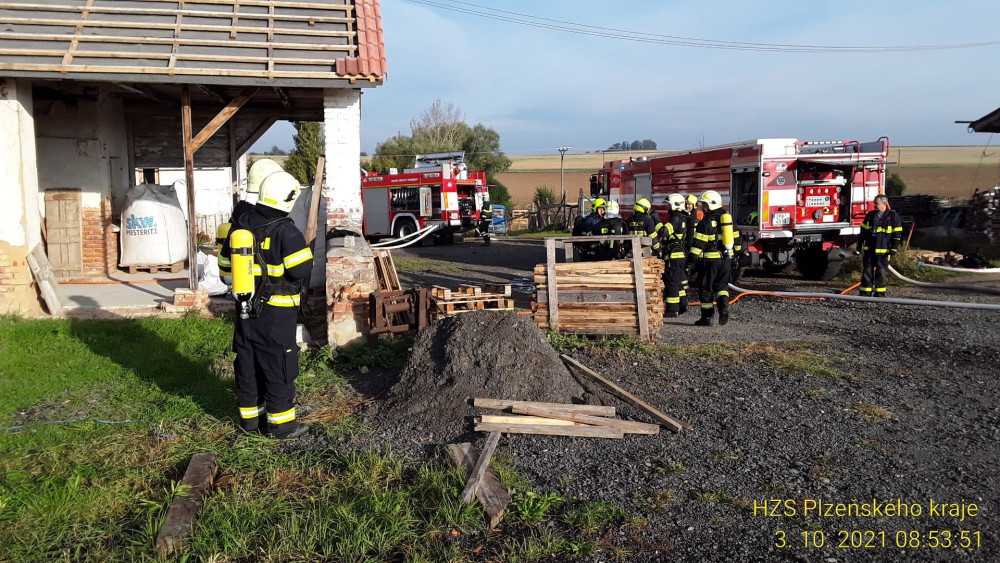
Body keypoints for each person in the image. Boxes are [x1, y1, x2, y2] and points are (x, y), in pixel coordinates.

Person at [219, 171, 314, 439]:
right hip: (276, 314)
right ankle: (281, 426)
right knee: (278, 365)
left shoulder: (240, 227)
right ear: (288, 198)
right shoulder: (286, 230)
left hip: (245, 311)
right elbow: (301, 270)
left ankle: (251, 422)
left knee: (247, 364)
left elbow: (225, 269)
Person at [689, 190, 735, 326]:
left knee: (706, 288)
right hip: (726, 260)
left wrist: (690, 262)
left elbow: (698, 245)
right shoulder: (728, 220)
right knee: (722, 286)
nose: (703, 207)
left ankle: (707, 318)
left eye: (704, 204)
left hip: (710, 261)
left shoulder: (706, 222)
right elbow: (737, 241)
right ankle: (724, 306)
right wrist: (734, 257)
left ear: (710, 205)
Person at [857, 194, 902, 297]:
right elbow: (863, 233)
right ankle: (865, 293)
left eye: (876, 203)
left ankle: (879, 294)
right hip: (870, 250)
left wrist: (894, 248)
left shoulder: (892, 216)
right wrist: (859, 247)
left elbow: (897, 234)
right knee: (867, 272)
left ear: (884, 203)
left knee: (881, 273)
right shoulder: (870, 215)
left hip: (883, 252)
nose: (874, 206)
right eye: (874, 203)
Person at [662, 194, 688, 317]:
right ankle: (682, 305)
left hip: (674, 255)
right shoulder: (683, 218)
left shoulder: (675, 219)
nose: (668, 208)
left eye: (669, 205)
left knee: (672, 282)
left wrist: (656, 221)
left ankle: (672, 310)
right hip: (680, 255)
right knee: (678, 281)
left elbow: (664, 232)